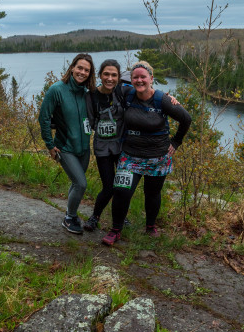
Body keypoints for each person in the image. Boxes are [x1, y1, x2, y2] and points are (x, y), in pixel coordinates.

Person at [102, 60, 192, 246]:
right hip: (130, 155)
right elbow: (107, 86)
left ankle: (150, 227)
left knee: (152, 194)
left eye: (143, 77)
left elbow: (186, 119)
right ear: (131, 79)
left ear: (151, 78)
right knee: (121, 191)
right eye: (135, 77)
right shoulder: (126, 94)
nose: (139, 80)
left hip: (157, 157)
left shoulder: (162, 100)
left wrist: (176, 142)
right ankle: (116, 230)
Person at [38, 53, 96, 234]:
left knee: (76, 182)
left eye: (86, 70)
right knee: (81, 184)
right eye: (79, 68)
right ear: (72, 68)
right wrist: (49, 144)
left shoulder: (88, 93)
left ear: (90, 73)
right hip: (65, 147)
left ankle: (70, 213)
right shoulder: (57, 89)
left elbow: (112, 93)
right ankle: (70, 217)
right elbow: (44, 118)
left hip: (85, 149)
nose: (82, 72)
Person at [83, 59, 131, 231]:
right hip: (102, 148)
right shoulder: (91, 96)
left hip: (122, 147)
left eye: (114, 75)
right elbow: (87, 120)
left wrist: (168, 98)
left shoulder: (123, 92)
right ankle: (95, 216)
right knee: (109, 186)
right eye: (106, 74)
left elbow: (146, 93)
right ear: (100, 75)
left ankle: (121, 216)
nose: (110, 78)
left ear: (118, 77)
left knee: (123, 185)